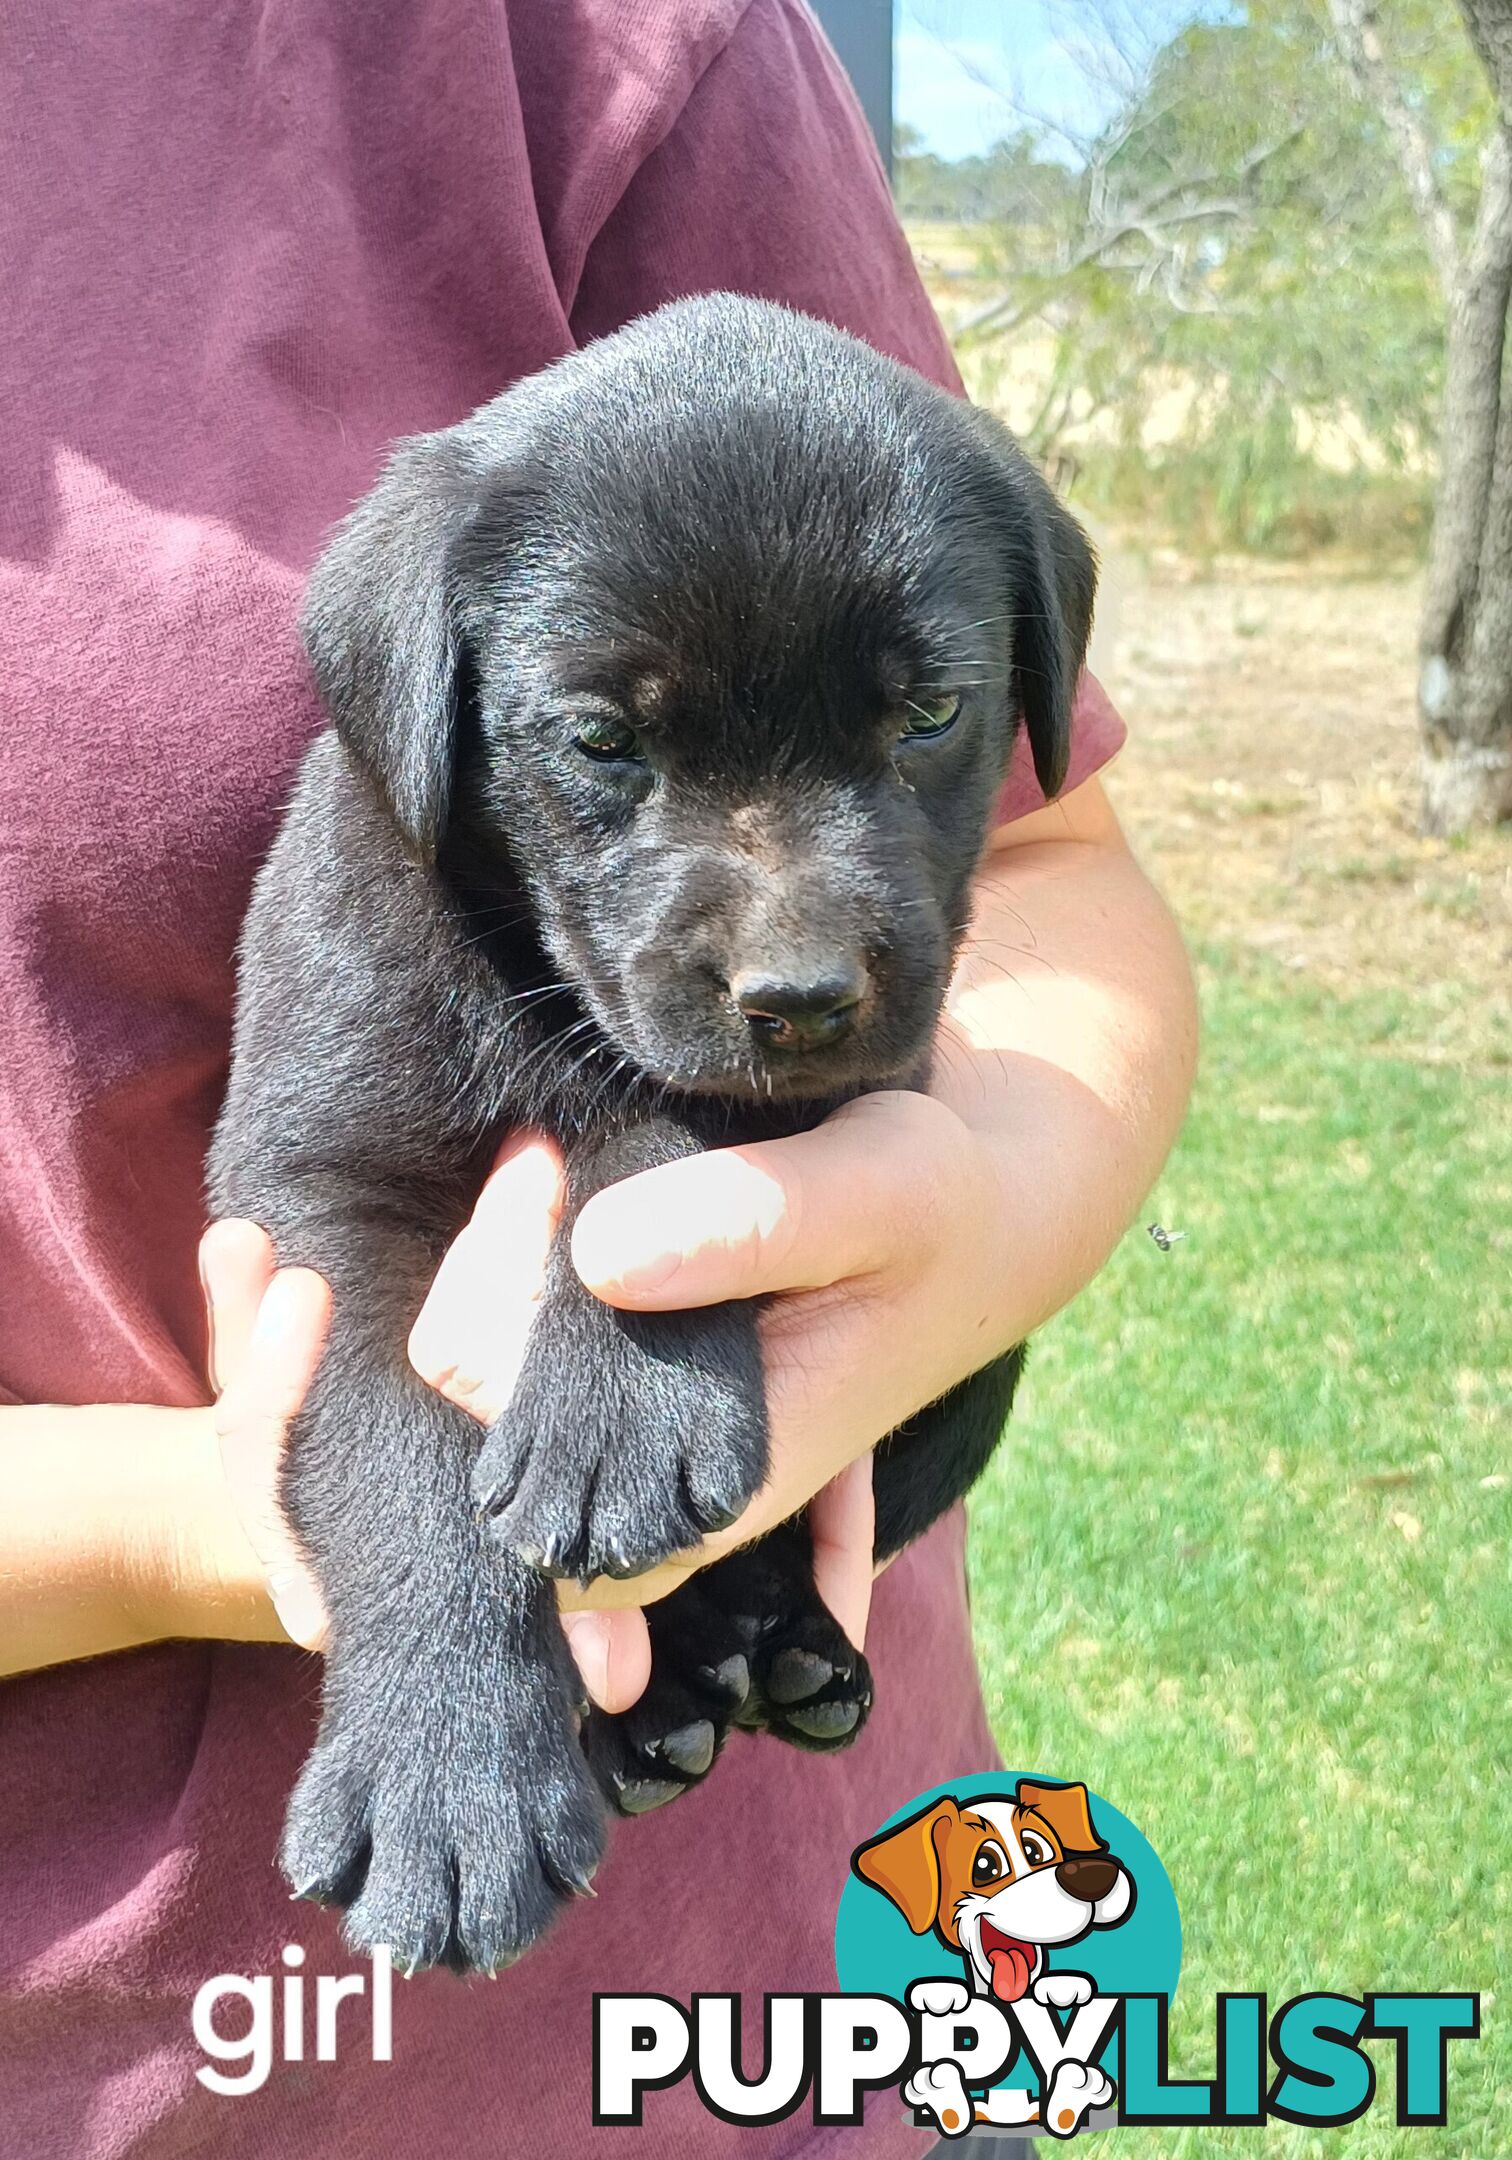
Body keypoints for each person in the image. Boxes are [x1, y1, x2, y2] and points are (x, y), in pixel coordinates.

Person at [0, 2, 1196, 2153]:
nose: (803, 935)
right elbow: (330, 1235)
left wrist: (973, 1210)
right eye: (615, 754)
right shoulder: (378, 890)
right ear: (419, 707)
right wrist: (395, 1605)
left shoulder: (593, 40)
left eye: (911, 729)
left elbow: (1056, 910)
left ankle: (740, 1615)